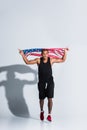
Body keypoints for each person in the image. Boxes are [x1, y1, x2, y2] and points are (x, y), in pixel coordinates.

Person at [19, 48, 68, 121]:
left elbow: (62, 60)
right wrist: (22, 55)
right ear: (41, 54)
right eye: (43, 54)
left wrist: (65, 52)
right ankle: (42, 111)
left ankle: (49, 115)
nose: (45, 55)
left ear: (48, 54)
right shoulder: (38, 60)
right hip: (41, 82)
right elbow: (27, 62)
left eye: (46, 53)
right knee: (41, 99)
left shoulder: (51, 60)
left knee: (50, 98)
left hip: (50, 82)